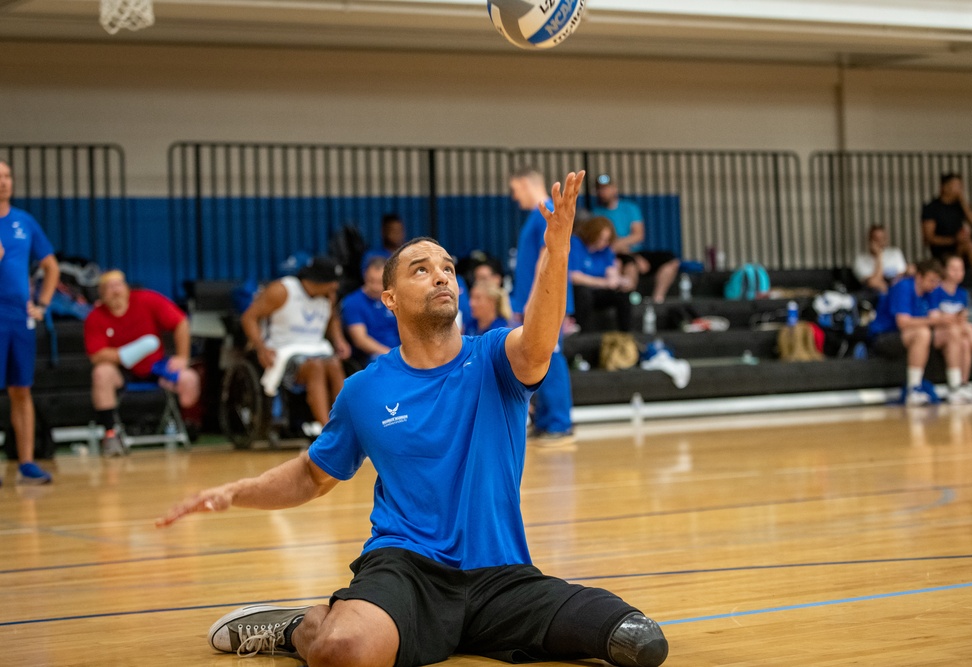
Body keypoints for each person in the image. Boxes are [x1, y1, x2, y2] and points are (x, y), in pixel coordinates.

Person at [157, 171, 669, 667]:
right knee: (343, 652)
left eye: (447, 267)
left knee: (639, 641)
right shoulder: (364, 390)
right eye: (420, 268)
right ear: (390, 299)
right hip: (407, 570)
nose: (440, 274)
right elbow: (312, 475)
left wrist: (555, 254)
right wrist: (235, 491)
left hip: (503, 578)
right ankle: (298, 627)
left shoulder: (495, 357)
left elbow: (538, 341)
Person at [84, 270, 202, 455]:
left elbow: (181, 322)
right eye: (109, 287)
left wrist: (182, 357)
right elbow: (97, 355)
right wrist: (125, 355)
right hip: (122, 369)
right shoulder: (95, 317)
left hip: (154, 366)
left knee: (189, 380)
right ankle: (110, 434)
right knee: (101, 373)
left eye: (118, 285)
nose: (115, 291)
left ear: (127, 288)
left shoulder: (147, 300)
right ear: (101, 293)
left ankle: (187, 426)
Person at [241, 257, 351, 432]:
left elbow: (332, 319)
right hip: (284, 350)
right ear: (317, 280)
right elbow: (249, 317)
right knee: (315, 366)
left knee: (334, 364)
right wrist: (261, 348)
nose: (335, 286)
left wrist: (339, 340)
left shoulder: (329, 296)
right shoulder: (282, 290)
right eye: (332, 282)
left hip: (316, 347)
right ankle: (327, 430)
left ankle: (346, 426)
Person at [0, 160, 59, 485]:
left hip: (18, 317)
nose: (4, 182)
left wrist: (42, 305)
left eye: (7, 176)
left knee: (21, 388)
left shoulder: (24, 221)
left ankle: (26, 463)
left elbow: (51, 267)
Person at [509, 167, 575, 443]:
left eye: (514, 190)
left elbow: (546, 258)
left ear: (525, 184)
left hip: (542, 302)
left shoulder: (545, 212)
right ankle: (547, 421)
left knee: (551, 358)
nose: (514, 197)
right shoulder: (536, 217)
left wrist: (532, 300)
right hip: (535, 301)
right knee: (537, 359)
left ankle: (560, 423)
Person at [867, 258, 972, 406]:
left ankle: (956, 388)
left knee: (952, 332)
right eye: (931, 280)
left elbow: (935, 317)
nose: (934, 285)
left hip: (913, 336)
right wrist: (936, 321)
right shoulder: (903, 287)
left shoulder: (931, 290)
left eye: (937, 281)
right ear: (919, 277)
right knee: (922, 333)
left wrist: (950, 319)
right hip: (884, 337)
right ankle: (913, 390)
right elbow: (903, 323)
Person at [591, 174, 680, 303]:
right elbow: (606, 244)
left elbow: (638, 235)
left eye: (606, 188)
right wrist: (632, 255)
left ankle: (657, 299)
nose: (603, 192)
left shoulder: (630, 207)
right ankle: (630, 300)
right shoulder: (596, 213)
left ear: (614, 189)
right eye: (600, 189)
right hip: (618, 255)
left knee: (671, 260)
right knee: (629, 265)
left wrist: (623, 246)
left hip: (635, 251)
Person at [928, 255, 972, 386]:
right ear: (945, 270)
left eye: (960, 269)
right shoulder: (935, 290)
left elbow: (961, 318)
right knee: (967, 328)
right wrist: (953, 319)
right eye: (953, 269)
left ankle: (963, 384)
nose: (957, 273)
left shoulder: (962, 293)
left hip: (956, 333)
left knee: (966, 342)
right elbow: (934, 318)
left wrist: (953, 318)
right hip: (938, 334)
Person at [921, 173, 972, 283]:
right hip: (946, 248)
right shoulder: (932, 208)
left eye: (960, 186)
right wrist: (954, 239)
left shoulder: (960, 205)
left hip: (963, 241)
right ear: (945, 187)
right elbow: (929, 238)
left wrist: (963, 201)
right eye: (956, 186)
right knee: (969, 245)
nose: (959, 189)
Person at [569, 217, 633, 333]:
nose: (603, 243)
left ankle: (625, 335)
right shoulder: (576, 244)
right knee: (583, 293)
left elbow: (611, 271)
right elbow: (573, 276)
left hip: (598, 291)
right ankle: (582, 333)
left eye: (607, 240)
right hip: (580, 292)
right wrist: (603, 282)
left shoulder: (605, 250)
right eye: (601, 239)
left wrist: (620, 280)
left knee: (622, 296)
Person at [340, 257, 400, 361]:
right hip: (374, 356)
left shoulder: (395, 299)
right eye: (371, 281)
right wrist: (391, 354)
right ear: (364, 276)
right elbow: (360, 340)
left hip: (400, 351)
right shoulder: (353, 302)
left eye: (380, 282)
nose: (375, 287)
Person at [852, 224, 911, 293]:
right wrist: (879, 256)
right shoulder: (860, 260)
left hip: (895, 291)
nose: (879, 242)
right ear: (870, 240)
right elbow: (873, 283)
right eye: (876, 239)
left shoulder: (895, 253)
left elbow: (902, 276)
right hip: (874, 295)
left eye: (882, 238)